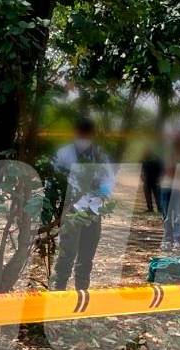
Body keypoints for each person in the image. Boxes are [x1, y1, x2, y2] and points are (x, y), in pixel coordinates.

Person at [51, 118, 115, 290]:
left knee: (87, 257)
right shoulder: (64, 154)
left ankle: (82, 292)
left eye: (87, 134)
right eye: (81, 134)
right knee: (67, 253)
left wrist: (99, 190)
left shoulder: (100, 154)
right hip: (72, 209)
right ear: (75, 134)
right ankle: (59, 290)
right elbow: (54, 180)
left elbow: (109, 182)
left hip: (94, 209)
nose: (84, 138)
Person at [157, 133, 180, 250]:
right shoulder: (168, 154)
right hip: (166, 188)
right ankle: (167, 239)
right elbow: (168, 171)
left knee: (178, 216)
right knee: (166, 215)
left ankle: (177, 240)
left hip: (178, 188)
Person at [141, 148, 163, 213]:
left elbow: (162, 170)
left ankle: (160, 209)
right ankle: (150, 208)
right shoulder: (144, 159)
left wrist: (160, 179)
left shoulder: (157, 159)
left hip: (155, 180)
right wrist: (142, 176)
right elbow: (142, 169)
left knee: (157, 195)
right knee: (147, 195)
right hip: (147, 180)